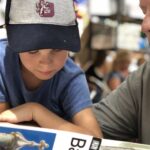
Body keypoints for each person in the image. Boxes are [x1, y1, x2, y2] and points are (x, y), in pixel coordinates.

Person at [0, 0, 102, 138]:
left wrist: (35, 111)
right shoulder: (2, 62)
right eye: (33, 50)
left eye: (57, 48)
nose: (46, 63)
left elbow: (95, 140)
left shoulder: (71, 78)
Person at [92, 0, 150, 144]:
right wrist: (37, 111)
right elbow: (88, 125)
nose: (145, 26)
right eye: (144, 12)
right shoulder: (143, 79)